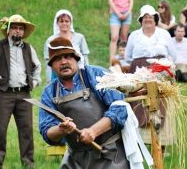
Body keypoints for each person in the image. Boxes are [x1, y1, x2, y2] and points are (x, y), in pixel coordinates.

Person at [39, 37, 129, 168]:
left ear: (76, 59)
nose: (63, 62)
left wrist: (93, 131)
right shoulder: (49, 92)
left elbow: (120, 108)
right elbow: (47, 131)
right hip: (75, 160)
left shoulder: (96, 75)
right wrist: (60, 130)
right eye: (57, 59)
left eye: (67, 57)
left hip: (110, 156)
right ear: (51, 66)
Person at [0, 14, 41, 168]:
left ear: (23, 32)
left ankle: (28, 165)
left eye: (20, 28)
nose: (17, 31)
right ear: (8, 30)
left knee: (26, 132)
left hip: (25, 94)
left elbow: (37, 66)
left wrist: (36, 81)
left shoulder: (29, 48)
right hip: (3, 95)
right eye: (14, 27)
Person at [125, 4, 176, 147]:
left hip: (160, 72)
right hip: (139, 72)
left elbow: (173, 55)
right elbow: (128, 57)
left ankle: (162, 144)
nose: (148, 19)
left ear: (155, 18)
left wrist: (163, 67)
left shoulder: (164, 34)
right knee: (140, 103)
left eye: (151, 17)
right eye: (145, 17)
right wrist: (140, 68)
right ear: (141, 20)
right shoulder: (134, 35)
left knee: (160, 104)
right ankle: (141, 143)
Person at [44, 9, 89, 83]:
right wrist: (49, 81)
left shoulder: (79, 37)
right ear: (57, 23)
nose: (64, 23)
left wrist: (87, 72)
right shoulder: (51, 40)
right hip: (58, 73)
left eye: (67, 21)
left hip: (78, 72)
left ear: (70, 22)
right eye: (61, 21)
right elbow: (48, 61)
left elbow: (85, 56)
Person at [108, 0, 133, 64]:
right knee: (114, 37)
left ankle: (124, 59)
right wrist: (117, 12)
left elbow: (131, 1)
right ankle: (112, 60)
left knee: (124, 37)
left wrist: (128, 12)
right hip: (115, 13)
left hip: (126, 13)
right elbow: (110, 0)